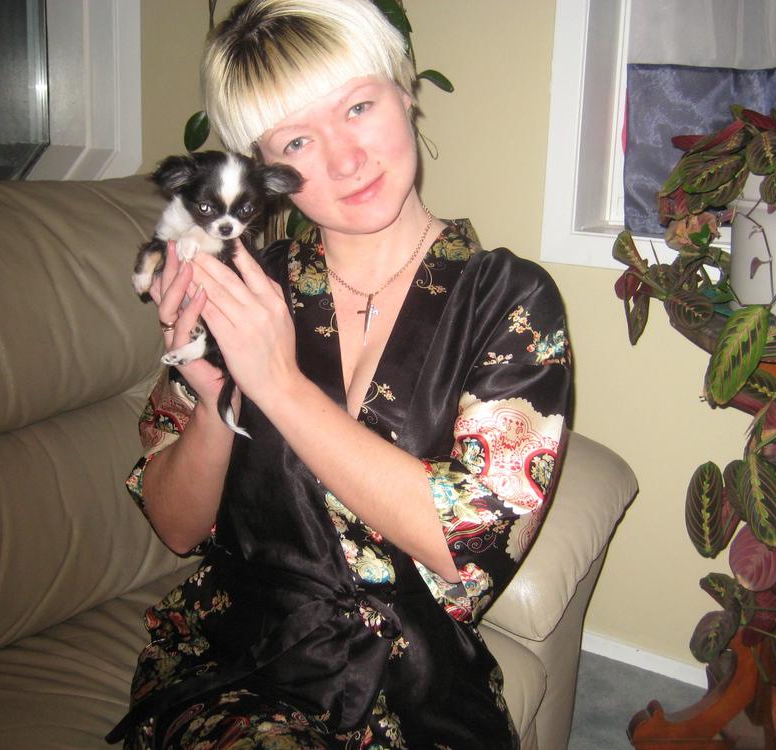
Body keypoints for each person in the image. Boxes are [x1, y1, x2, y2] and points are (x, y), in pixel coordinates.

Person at [107, 0, 571, 747]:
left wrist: (278, 383)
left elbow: (468, 545)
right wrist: (221, 393)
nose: (345, 159)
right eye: (297, 139)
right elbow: (175, 526)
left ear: (405, 91)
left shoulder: (510, 303)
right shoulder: (242, 288)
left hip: (421, 691)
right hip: (245, 671)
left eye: (358, 107)